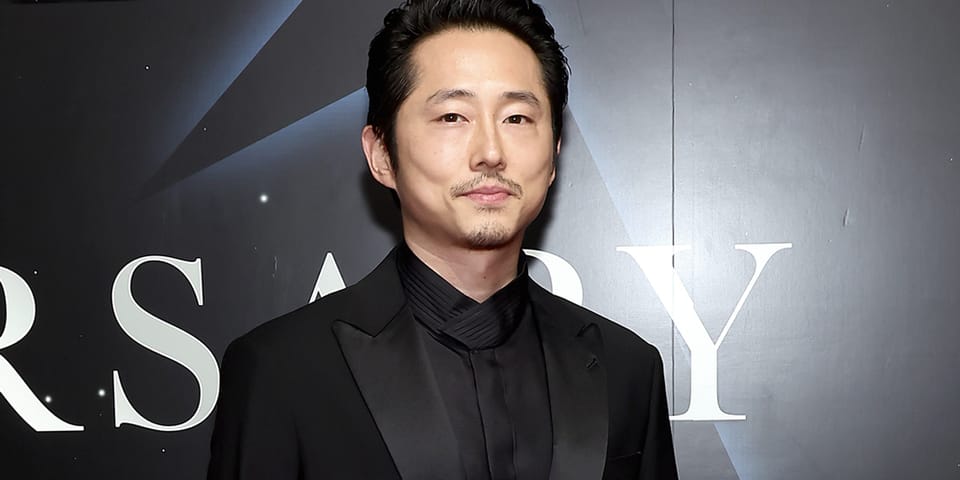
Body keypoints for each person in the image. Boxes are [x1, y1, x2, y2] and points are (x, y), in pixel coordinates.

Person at [207, 1, 678, 479]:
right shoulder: (283, 371)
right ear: (382, 154)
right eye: (453, 116)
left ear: (555, 151)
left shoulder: (627, 368)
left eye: (516, 118)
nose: (490, 152)